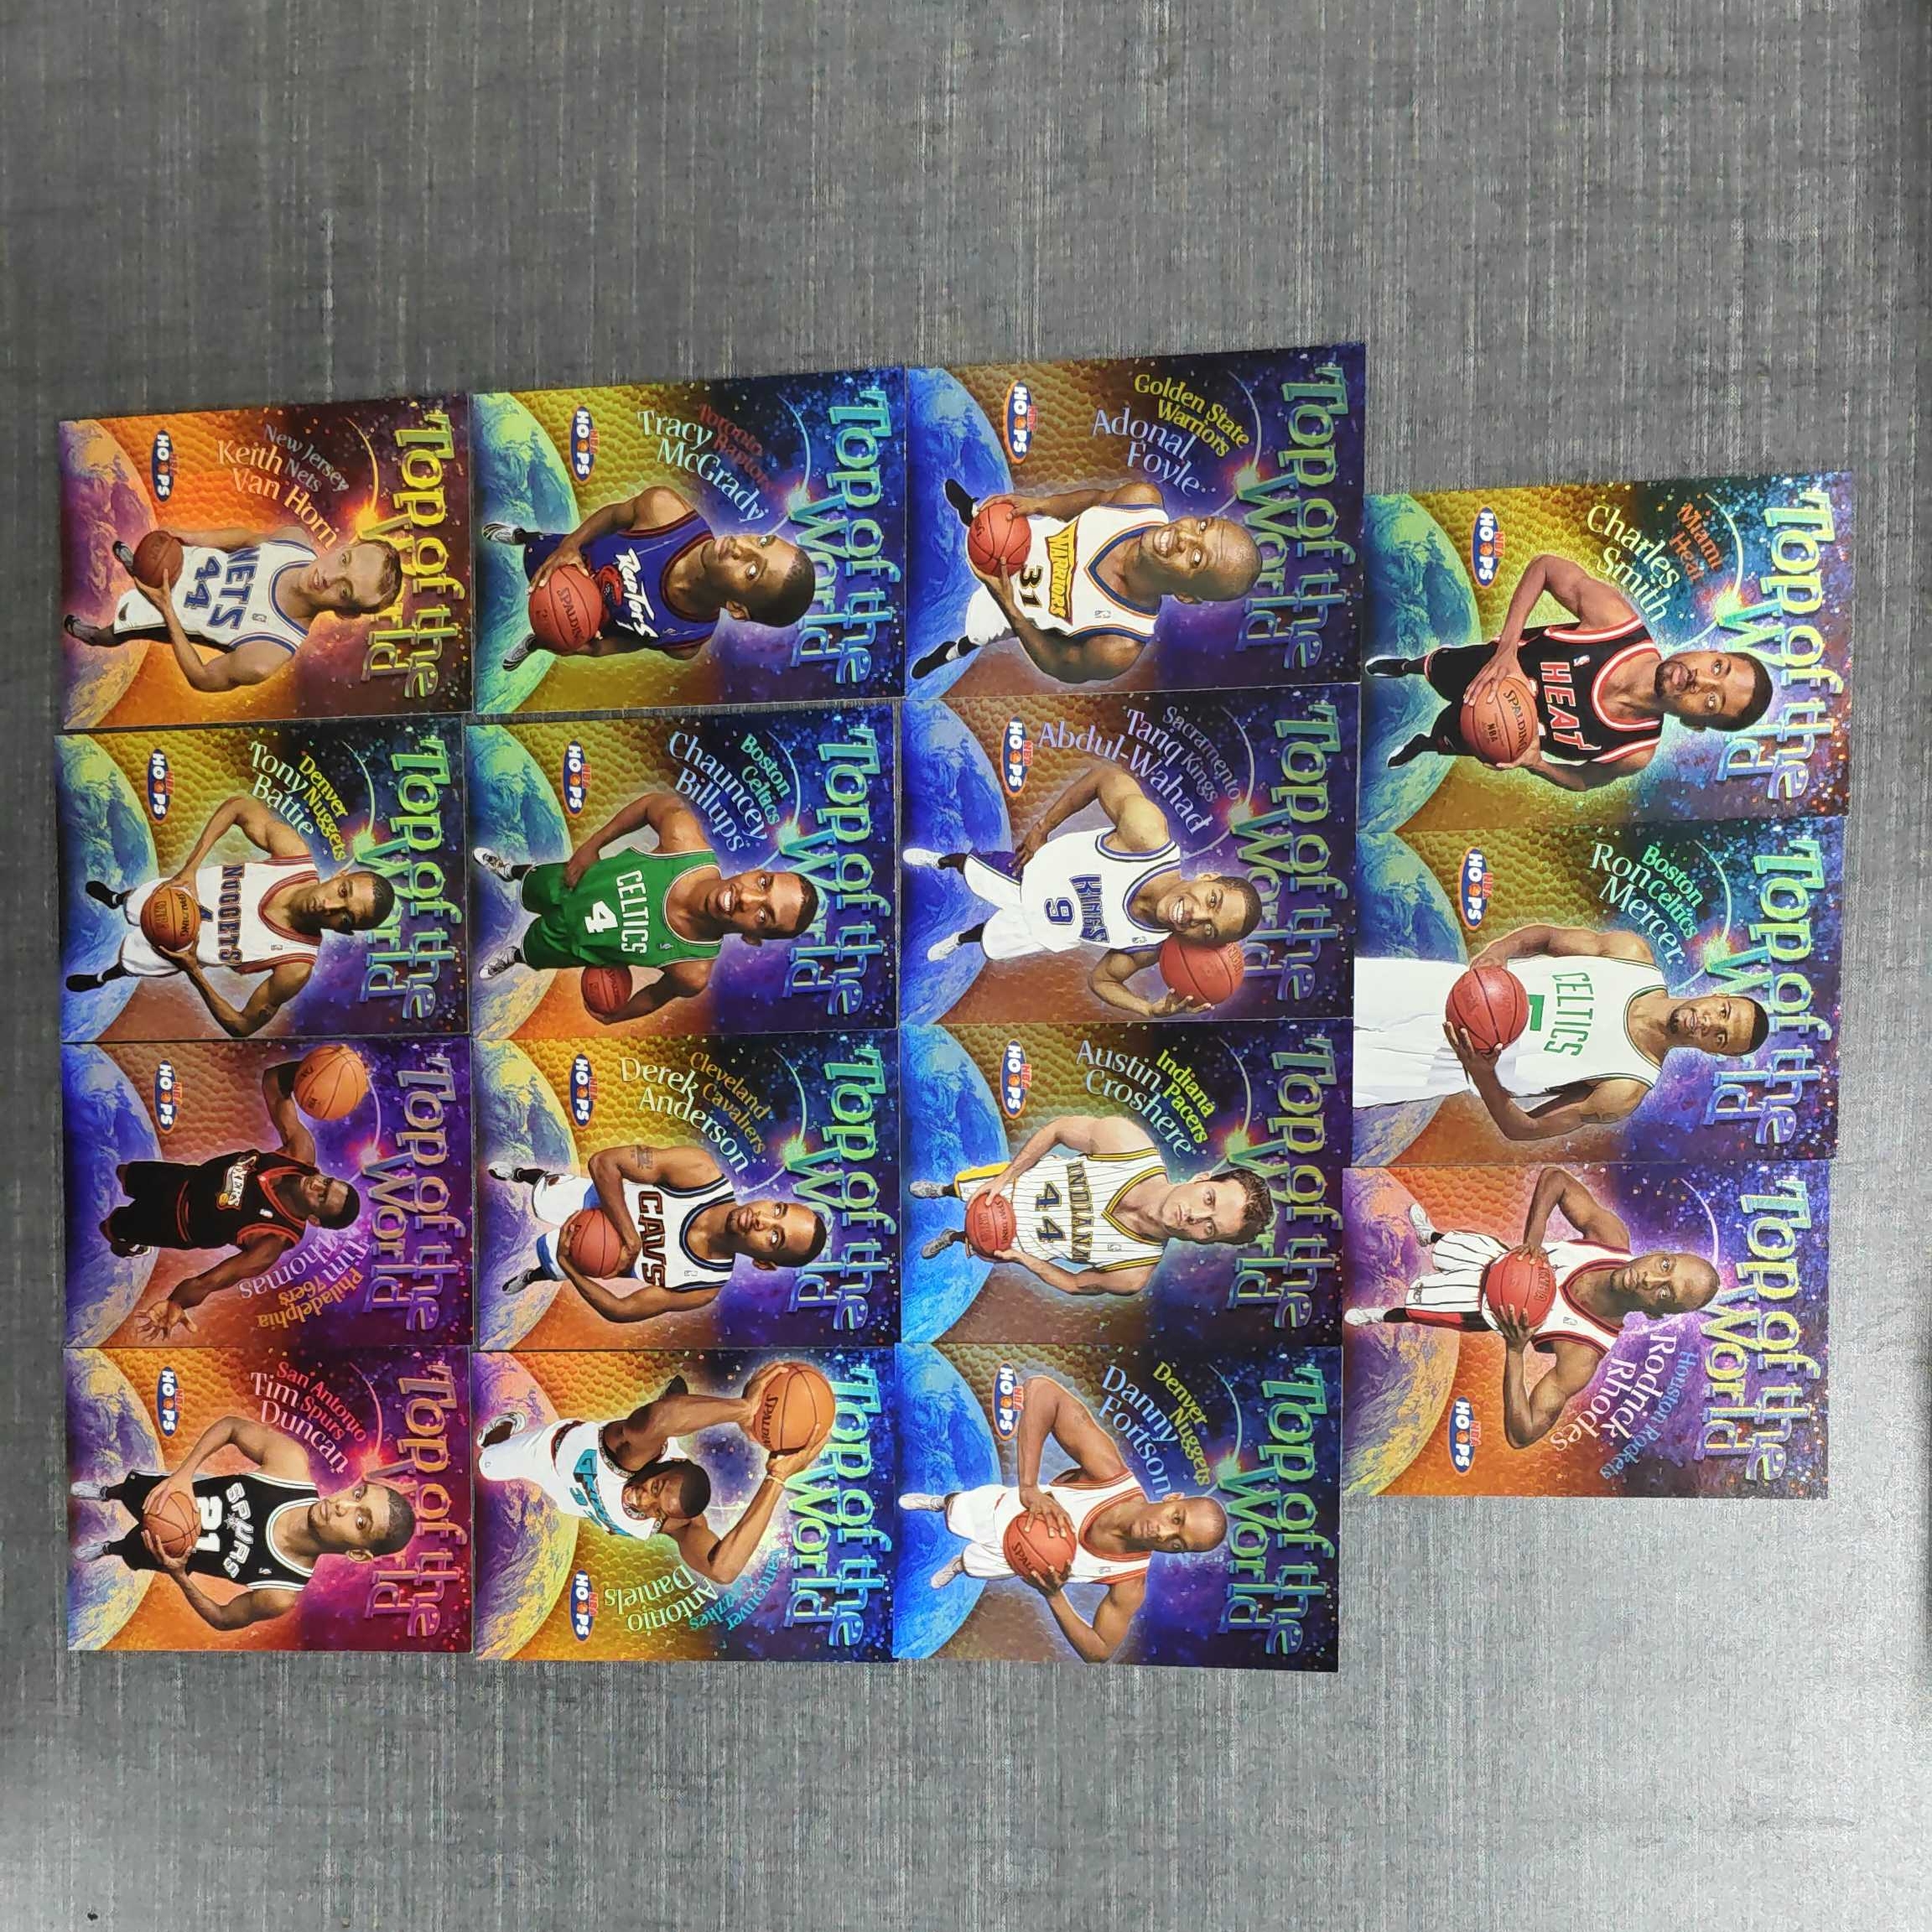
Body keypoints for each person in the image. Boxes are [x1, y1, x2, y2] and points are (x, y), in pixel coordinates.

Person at [1343, 1166, 1723, 1446]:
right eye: (1665, 1266)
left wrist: (1515, 1352)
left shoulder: (1584, 1353)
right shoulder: (1610, 1238)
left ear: (1655, 1313)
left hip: (1480, 1305)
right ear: (1660, 1253)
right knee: (1453, 1244)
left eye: (1665, 1294)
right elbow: (1556, 1179)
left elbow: (1522, 1434)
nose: (1650, 1279)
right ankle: (1430, 1237)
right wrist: (1534, 1241)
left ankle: (1379, 1314)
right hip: (1496, 1258)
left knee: (1416, 1305)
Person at [1369, 551, 1774, 788]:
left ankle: (1424, 743)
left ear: (1697, 724)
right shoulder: (1616, 624)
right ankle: (1405, 665)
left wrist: (1537, 763)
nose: (1702, 680)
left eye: (1712, 701)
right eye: (1718, 667)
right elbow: (1545, 567)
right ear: (1707, 651)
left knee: (1445, 737)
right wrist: (1507, 649)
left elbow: (1587, 780)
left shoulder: (1635, 752)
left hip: (1490, 727)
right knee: (1438, 667)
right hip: (1490, 666)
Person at [899, 1374, 1226, 1663]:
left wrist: (1054, 1595)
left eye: (1178, 1544)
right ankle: (937, 1502)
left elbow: (1099, 1651)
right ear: (1172, 1499)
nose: (1163, 1534)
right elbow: (1044, 1392)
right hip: (1006, 1509)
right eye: (1176, 1519)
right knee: (957, 1510)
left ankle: (957, 1566)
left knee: (974, 1565)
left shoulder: (1130, 1584)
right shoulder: (1109, 1475)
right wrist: (1029, 1487)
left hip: (1019, 1559)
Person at [906, 760, 1261, 1018]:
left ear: (1202, 942)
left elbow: (1102, 981)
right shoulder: (1148, 839)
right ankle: (939, 861)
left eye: (1208, 929)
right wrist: (1043, 827)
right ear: (1207, 877)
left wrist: (1145, 1008)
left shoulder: (1149, 947)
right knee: (968, 866)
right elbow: (1104, 776)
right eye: (1212, 901)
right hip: (1026, 877)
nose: (1197, 916)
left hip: (1045, 932)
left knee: (989, 940)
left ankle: (958, 939)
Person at [1353, 922, 1768, 1141]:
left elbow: (1525, 1129)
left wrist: (1482, 1074)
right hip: (1447, 989)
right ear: (1717, 995)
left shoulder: (1625, 1088)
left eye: (1720, 1036)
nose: (1710, 1023)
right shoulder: (1629, 956)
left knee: (1329, 1074)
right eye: (1723, 1011)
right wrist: (1499, 951)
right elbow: (1547, 938)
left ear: (1714, 1052)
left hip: (1444, 1065)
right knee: (1331, 990)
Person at [475, 787, 818, 1021]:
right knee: (531, 880)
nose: (747, 898)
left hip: (573, 944)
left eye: (764, 915)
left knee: (531, 952)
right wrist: (593, 845)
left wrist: (616, 1015)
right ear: (756, 871)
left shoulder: (692, 970)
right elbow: (652, 805)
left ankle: (515, 955)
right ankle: (508, 870)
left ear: (753, 938)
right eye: (764, 883)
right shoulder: (684, 844)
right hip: (573, 883)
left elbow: (656, 995)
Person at [66, 794, 395, 1037]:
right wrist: (191, 868)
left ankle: (102, 977)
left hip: (182, 951)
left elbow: (243, 1025)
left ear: (345, 931)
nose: (330, 907)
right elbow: (240, 806)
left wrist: (194, 971)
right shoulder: (293, 856)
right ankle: (114, 898)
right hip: (178, 896)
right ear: (340, 875)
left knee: (129, 963)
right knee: (135, 900)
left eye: (346, 918)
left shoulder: (296, 967)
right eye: (343, 892)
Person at [476, 1366, 833, 1581]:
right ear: (666, 1462)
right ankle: (507, 1434)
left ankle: (674, 1402)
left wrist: (777, 1479)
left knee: (656, 1426)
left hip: (573, 1500)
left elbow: (723, 1570)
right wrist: (744, 1409)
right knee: (485, 1464)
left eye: (657, 1509)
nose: (642, 1500)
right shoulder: (633, 1456)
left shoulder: (676, 1523)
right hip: (547, 1453)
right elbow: (658, 1424)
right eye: (656, 1487)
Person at [71, 1414, 414, 1633]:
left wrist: (179, 1576)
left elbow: (224, 1619)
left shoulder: (281, 1592)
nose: (342, 1505)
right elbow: (232, 1427)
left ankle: (108, 1547)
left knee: (130, 1549)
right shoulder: (290, 1465)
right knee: (132, 1490)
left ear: (358, 1553)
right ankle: (105, 1492)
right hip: (174, 1496)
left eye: (360, 1520)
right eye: (358, 1494)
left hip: (173, 1552)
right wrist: (183, 1475)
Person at [911, 479, 1260, 685]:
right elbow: (1096, 500)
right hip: (1027, 539)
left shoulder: (1118, 645)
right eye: (1202, 526)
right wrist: (1042, 504)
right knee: (990, 522)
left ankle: (950, 652)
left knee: (975, 632)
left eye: (1196, 559)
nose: (1184, 537)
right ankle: (970, 511)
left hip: (1012, 605)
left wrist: (1009, 606)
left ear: (1185, 594)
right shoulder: (1140, 501)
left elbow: (1059, 664)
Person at [112, 1058, 361, 1340]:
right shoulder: (300, 1154)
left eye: (321, 1196)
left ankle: (127, 1241)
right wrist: (313, 1069)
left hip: (175, 1224)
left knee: (113, 1227)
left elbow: (210, 1281)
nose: (317, 1184)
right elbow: (273, 1083)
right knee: (124, 1173)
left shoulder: (272, 1241)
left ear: (314, 1219)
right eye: (327, 1182)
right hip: (184, 1178)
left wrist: (176, 1302)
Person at [911, 1113, 1270, 1294]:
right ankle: (941, 1190)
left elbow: (1075, 1284)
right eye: (1209, 1199)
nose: (1195, 1216)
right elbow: (1058, 1130)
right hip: (1012, 1188)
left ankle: (952, 1237)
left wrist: (1024, 1260)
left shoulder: (1133, 1274)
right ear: (1202, 1178)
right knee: (964, 1188)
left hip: (1018, 1241)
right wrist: (1006, 1177)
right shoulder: (1129, 1146)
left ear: (1206, 1242)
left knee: (974, 1240)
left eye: (1210, 1227)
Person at [485, 485, 817, 673]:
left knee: (553, 634)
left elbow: (638, 640)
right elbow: (614, 515)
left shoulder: (687, 640)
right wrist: (571, 545)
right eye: (762, 541)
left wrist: (592, 649)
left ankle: (537, 643)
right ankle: (521, 536)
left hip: (573, 617)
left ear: (737, 608)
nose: (740, 546)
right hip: (572, 564)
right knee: (539, 548)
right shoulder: (666, 511)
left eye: (752, 571)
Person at [491, 1145, 827, 1323]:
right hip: (594, 1197)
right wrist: (630, 1238)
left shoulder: (704, 1286)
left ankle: (535, 1275)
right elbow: (605, 1163)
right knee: (544, 1191)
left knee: (553, 1264)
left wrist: (571, 1269)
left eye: (775, 1238)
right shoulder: (700, 1173)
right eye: (778, 1210)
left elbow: (622, 1310)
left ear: (764, 1263)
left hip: (587, 1252)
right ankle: (522, 1174)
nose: (762, 1221)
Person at [65, 529, 403, 694]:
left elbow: (202, 678)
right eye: (344, 560)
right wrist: (189, 537)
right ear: (345, 547)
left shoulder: (268, 654)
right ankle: (135, 565)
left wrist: (165, 608)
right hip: (181, 563)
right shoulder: (294, 539)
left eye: (345, 591)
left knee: (116, 631)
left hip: (172, 611)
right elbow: (248, 539)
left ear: (346, 612)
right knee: (150, 564)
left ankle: (92, 636)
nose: (328, 577)